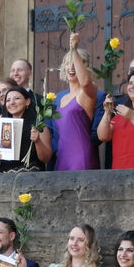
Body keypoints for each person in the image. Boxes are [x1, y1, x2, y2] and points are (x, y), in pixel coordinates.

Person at [52, 33, 98, 171]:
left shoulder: (88, 92)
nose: (71, 68)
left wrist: (74, 49)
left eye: (75, 63)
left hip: (80, 156)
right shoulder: (59, 98)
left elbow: (84, 82)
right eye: (67, 63)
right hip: (62, 157)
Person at [0, 87, 50, 172]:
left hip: (30, 178)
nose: (12, 103)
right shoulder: (2, 126)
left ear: (27, 101)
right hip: (5, 178)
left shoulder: (38, 126)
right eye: (8, 100)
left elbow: (46, 158)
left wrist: (37, 141)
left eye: (17, 98)